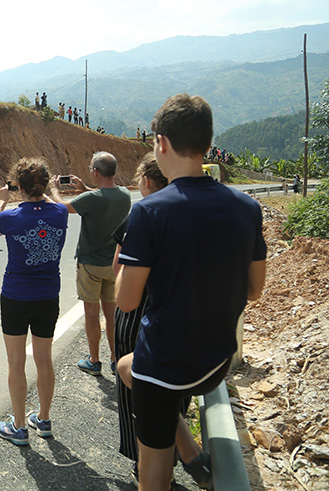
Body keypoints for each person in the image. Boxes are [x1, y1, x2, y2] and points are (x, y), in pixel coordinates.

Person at [115, 94, 266, 491]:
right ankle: (192, 454)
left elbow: (126, 301)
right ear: (206, 143)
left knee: (153, 476)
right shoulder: (246, 207)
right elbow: (255, 290)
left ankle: (182, 456)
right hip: (216, 361)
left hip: (165, 368)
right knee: (126, 368)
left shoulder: (149, 212)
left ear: (161, 143)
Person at [111, 153, 188, 485]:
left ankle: (145, 467)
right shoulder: (189, 212)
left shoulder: (141, 214)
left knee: (136, 391)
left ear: (145, 182)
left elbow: (119, 269)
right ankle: (170, 461)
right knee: (174, 387)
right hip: (179, 315)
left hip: (139, 314)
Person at [0, 157, 68, 445]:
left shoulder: (11, 217)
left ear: (19, 186)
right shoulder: (60, 213)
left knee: (16, 361)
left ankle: (19, 426)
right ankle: (43, 419)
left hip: (16, 296)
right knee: (44, 358)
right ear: (45, 184)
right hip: (48, 296)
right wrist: (47, 191)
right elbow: (51, 202)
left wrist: (2, 200)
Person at [48, 151, 131, 376]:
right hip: (114, 265)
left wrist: (54, 189)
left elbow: (62, 207)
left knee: (92, 315)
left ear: (95, 172)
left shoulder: (92, 199)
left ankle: (94, 361)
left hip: (90, 265)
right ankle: (115, 359)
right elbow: (103, 197)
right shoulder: (125, 195)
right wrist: (84, 188)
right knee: (111, 314)